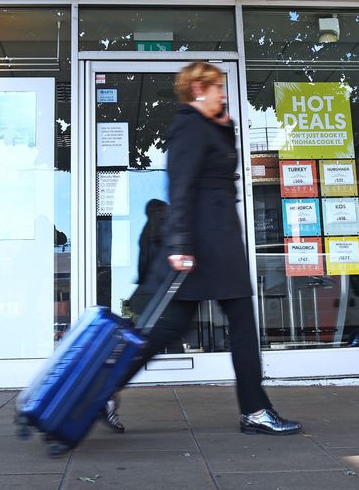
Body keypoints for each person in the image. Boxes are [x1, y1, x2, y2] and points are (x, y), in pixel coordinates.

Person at [105, 61, 302, 436]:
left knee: (171, 327)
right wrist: (179, 244)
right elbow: (179, 189)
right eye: (216, 88)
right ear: (198, 89)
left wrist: (225, 127)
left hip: (216, 240)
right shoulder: (189, 127)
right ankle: (255, 410)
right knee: (234, 324)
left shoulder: (210, 127)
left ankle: (106, 388)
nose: (222, 94)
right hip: (206, 244)